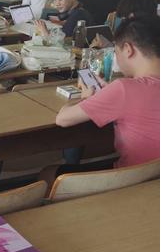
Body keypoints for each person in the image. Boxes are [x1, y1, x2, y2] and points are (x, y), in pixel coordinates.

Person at [53, 15, 160, 173]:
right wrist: (109, 93)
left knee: (49, 173)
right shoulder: (123, 90)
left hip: (136, 179)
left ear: (128, 50)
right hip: (154, 176)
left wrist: (87, 98)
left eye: (116, 51)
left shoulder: (124, 89)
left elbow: (63, 119)